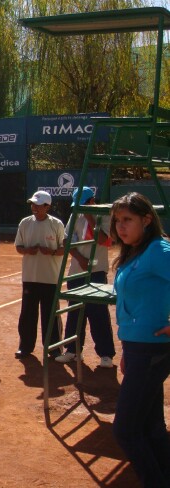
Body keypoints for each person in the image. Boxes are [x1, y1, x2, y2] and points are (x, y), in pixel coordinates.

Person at [110, 192, 170, 487]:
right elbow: (131, 307)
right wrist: (125, 349)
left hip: (152, 351)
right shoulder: (135, 252)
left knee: (125, 430)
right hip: (138, 349)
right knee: (151, 426)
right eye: (118, 220)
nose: (121, 227)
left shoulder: (158, 250)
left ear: (147, 220)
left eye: (128, 220)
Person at [56, 187, 116, 368]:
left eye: (82, 205)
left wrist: (90, 217)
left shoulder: (105, 216)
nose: (79, 209)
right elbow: (66, 241)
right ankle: (73, 351)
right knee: (74, 311)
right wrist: (81, 259)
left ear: (91, 202)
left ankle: (106, 355)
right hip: (76, 271)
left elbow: (104, 240)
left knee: (97, 312)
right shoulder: (75, 216)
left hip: (97, 271)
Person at [14, 191, 66, 359]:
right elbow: (18, 247)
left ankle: (54, 348)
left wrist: (50, 252)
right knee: (28, 314)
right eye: (32, 204)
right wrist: (28, 250)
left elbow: (63, 249)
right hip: (30, 278)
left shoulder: (57, 224)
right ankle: (26, 347)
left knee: (51, 314)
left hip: (50, 278)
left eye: (38, 204)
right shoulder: (25, 223)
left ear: (47, 206)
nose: (34, 207)